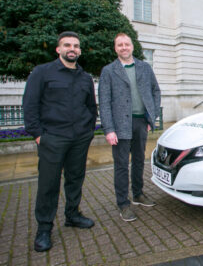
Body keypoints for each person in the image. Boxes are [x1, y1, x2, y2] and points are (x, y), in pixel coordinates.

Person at [23, 31, 97, 252]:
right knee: (48, 184)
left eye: (75, 45)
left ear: (80, 50)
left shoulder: (85, 77)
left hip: (79, 139)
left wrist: (89, 130)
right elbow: (30, 105)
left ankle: (72, 215)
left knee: (75, 178)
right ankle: (44, 228)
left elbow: (91, 107)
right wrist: (38, 135)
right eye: (67, 45)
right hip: (52, 138)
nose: (72, 48)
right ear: (58, 49)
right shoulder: (42, 72)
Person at [99, 33, 161, 222]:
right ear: (115, 48)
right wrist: (109, 129)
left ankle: (138, 194)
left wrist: (152, 116)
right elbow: (104, 101)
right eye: (120, 45)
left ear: (132, 46)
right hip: (119, 126)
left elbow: (155, 91)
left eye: (127, 44)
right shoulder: (109, 71)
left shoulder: (144, 67)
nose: (124, 47)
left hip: (141, 122)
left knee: (139, 160)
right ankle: (123, 204)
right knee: (121, 165)